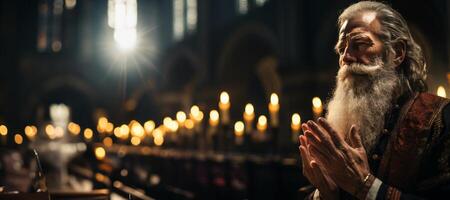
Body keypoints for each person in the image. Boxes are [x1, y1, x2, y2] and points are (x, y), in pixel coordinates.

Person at [299, 1, 450, 199]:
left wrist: (366, 187)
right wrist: (325, 194)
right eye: (341, 49)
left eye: (359, 44)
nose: (346, 57)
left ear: (397, 53)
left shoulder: (438, 118)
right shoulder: (345, 122)